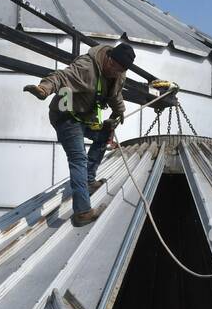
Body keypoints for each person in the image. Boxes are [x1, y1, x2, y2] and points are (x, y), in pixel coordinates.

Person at [23, 42, 134, 227]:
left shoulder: (118, 74)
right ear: (108, 58)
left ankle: (89, 181)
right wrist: (44, 88)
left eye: (120, 70)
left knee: (105, 133)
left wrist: (119, 111)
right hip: (66, 117)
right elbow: (61, 77)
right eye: (114, 67)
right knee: (78, 158)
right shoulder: (86, 67)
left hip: (85, 117)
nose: (115, 72)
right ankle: (82, 212)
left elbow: (115, 94)